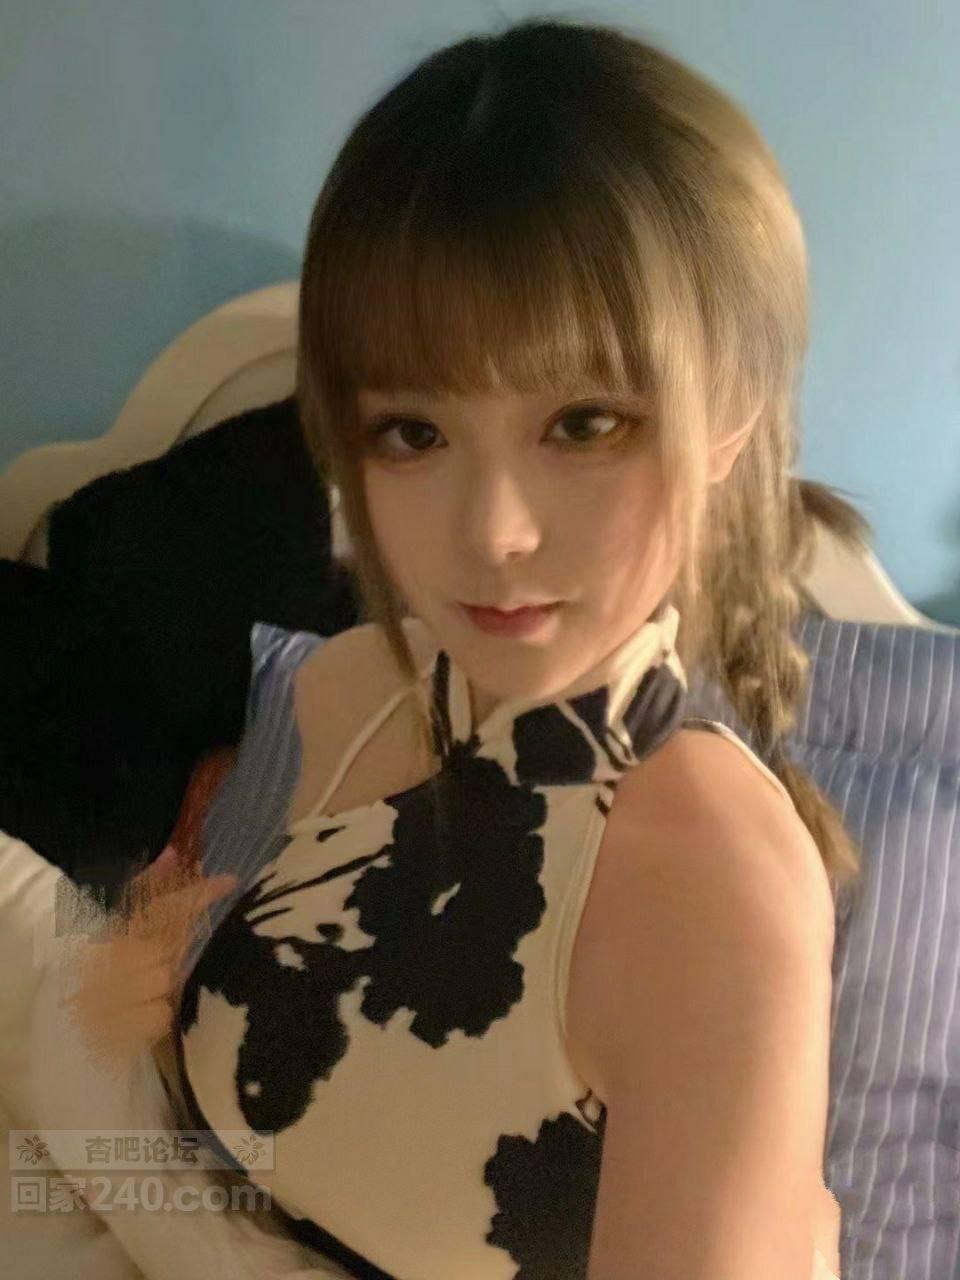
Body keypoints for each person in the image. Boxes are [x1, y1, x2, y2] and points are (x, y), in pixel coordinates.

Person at [66, 14, 869, 1279]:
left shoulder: (712, 881)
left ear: (729, 420)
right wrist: (148, 1000)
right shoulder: (351, 694)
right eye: (414, 432)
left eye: (585, 422)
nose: (493, 533)